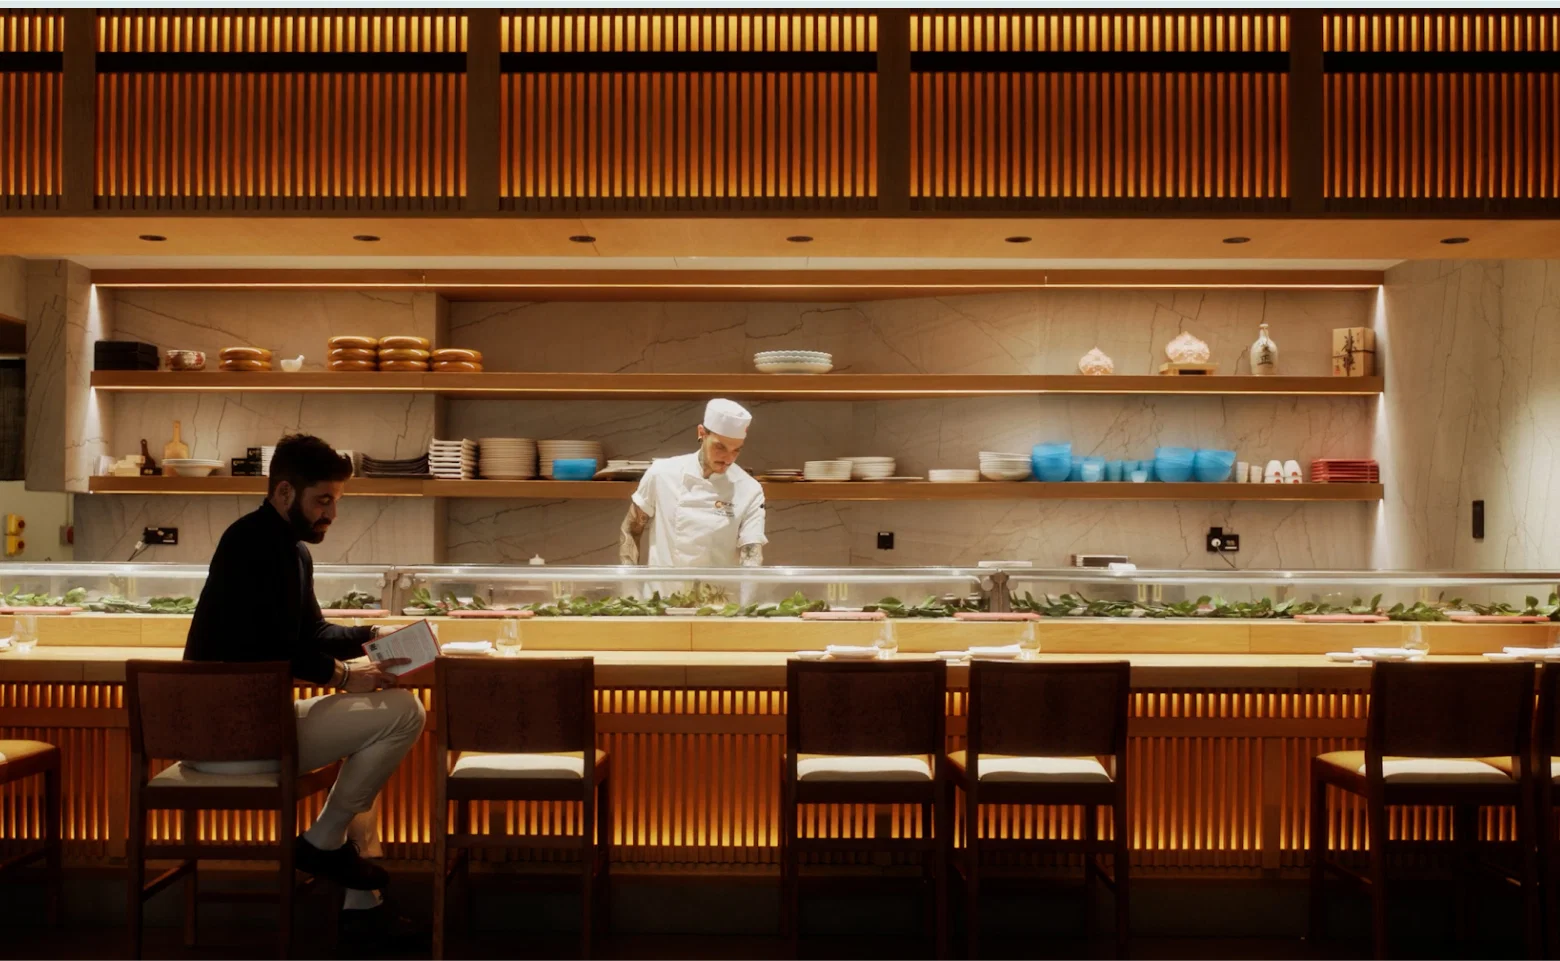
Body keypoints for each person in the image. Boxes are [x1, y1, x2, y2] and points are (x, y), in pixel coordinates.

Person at [183, 433, 426, 947]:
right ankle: (320, 842)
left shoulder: (287, 548)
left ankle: (361, 906)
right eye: (324, 500)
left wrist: (370, 637)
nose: (332, 514)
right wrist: (343, 677)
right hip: (235, 737)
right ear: (285, 492)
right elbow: (267, 645)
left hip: (244, 724)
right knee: (403, 713)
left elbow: (310, 634)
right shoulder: (251, 543)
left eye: (337, 501)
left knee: (368, 754)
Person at [619, 398, 767, 568]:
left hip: (718, 593)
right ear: (701, 433)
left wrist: (750, 592)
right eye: (720, 447)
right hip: (662, 592)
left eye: (736, 450)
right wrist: (630, 584)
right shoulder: (661, 473)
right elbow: (630, 529)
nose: (728, 459)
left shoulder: (749, 489)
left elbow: (752, 553)